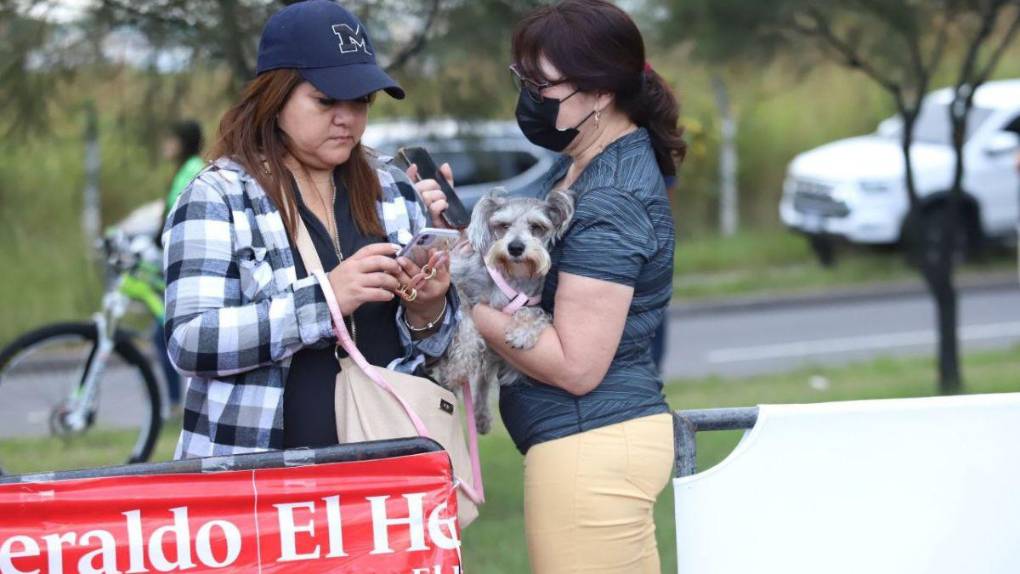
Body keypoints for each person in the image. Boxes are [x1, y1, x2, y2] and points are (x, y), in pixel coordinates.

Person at [417, 0, 684, 570]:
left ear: (601, 90)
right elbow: (516, 266)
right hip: (594, 446)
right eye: (524, 80)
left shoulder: (610, 196)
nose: (531, 97)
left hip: (591, 448)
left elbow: (575, 364)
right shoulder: (575, 165)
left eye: (543, 84)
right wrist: (456, 238)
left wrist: (464, 305)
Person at [162, 0, 457, 458]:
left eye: (360, 100)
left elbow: (432, 349)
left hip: (388, 467)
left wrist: (430, 307)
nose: (347, 117)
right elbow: (191, 342)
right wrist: (325, 300)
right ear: (274, 99)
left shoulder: (394, 187)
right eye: (325, 100)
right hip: (260, 481)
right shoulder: (217, 195)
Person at [153, 120, 205, 415]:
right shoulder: (184, 169)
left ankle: (177, 405)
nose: (165, 145)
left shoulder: (193, 170)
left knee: (165, 334)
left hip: (186, 266)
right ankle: (175, 403)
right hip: (170, 261)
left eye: (170, 138)